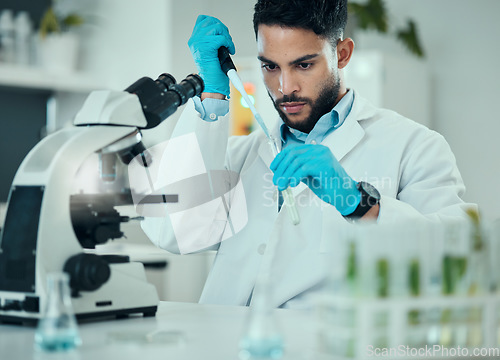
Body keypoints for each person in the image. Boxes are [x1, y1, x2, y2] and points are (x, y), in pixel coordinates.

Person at [140, 0, 475, 308]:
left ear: (342, 54)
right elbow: (174, 234)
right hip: (225, 344)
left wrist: (359, 205)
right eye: (270, 67)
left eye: (303, 65)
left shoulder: (414, 146)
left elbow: (461, 260)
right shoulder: (244, 154)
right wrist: (211, 98)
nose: (286, 88)